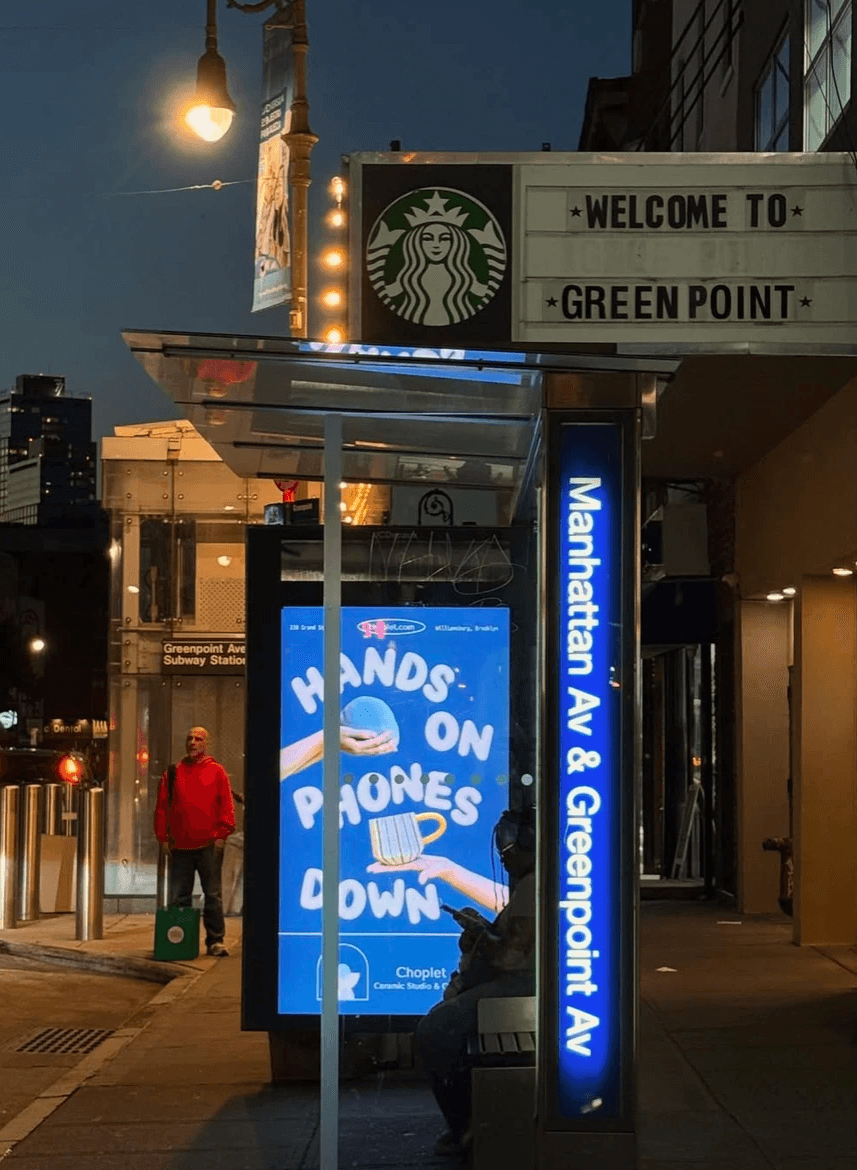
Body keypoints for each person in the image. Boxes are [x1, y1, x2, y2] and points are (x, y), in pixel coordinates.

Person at [413, 805, 536, 1158]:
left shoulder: (532, 887)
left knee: (434, 1032)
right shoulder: (530, 884)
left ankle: (465, 1126)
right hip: (520, 984)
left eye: (508, 851)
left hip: (520, 989)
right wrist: (484, 931)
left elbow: (511, 959)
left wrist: (481, 935)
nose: (504, 860)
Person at [154, 726, 235, 957]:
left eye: (198, 739)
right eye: (189, 738)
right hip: (180, 846)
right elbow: (162, 808)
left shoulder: (217, 772)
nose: (193, 742)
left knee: (212, 895)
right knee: (180, 897)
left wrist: (221, 835)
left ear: (205, 743)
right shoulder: (172, 773)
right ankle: (182, 942)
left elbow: (226, 806)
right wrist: (163, 837)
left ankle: (215, 940)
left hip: (209, 845)